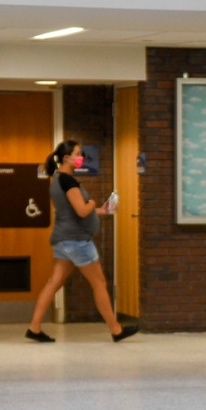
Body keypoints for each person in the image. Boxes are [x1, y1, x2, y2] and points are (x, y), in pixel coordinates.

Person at [26, 139, 137, 343]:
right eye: (78, 153)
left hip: (62, 239)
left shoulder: (57, 179)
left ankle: (34, 327)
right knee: (99, 283)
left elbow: (71, 212)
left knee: (54, 282)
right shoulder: (68, 181)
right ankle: (116, 329)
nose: (81, 157)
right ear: (67, 158)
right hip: (77, 242)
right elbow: (81, 210)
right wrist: (93, 202)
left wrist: (101, 210)